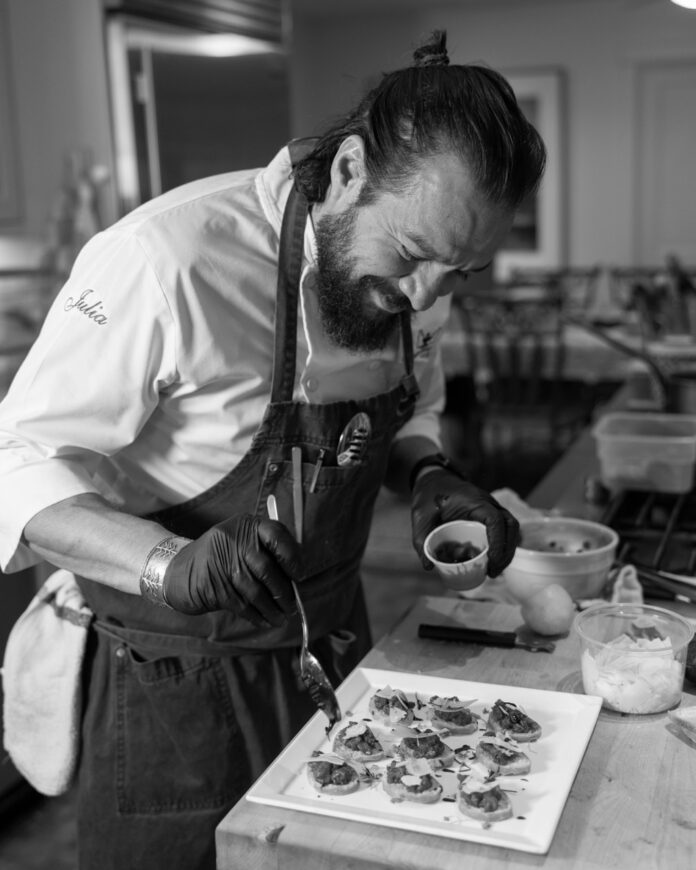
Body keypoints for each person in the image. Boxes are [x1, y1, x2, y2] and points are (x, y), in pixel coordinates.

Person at [0, 30, 545, 870]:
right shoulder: (165, 260)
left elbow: (413, 406)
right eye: (413, 256)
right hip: (177, 692)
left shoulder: (421, 268)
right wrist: (167, 565)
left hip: (334, 650)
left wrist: (430, 471)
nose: (425, 296)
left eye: (460, 274)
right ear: (351, 172)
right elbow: (19, 462)